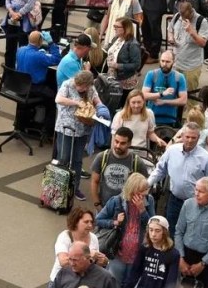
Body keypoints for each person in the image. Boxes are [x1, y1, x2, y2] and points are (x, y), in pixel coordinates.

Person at [148, 122, 208, 233]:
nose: (190, 140)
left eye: (193, 138)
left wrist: (206, 204)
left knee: (191, 233)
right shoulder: (172, 151)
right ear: (182, 136)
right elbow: (160, 170)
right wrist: (147, 184)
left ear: (198, 138)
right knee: (171, 232)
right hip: (174, 201)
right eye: (187, 137)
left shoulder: (207, 158)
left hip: (196, 203)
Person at [174, 177, 208, 288]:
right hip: (185, 255)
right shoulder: (187, 204)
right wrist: (180, 258)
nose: (196, 194)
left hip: (207, 260)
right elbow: (179, 232)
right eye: (196, 189)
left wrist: (203, 263)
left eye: (201, 191)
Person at [56, 71, 102, 200]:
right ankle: (59, 187)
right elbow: (58, 99)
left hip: (82, 130)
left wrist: (101, 108)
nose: (79, 88)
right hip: (66, 128)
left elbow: (97, 101)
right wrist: (76, 103)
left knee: (77, 160)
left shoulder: (91, 89)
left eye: (82, 86)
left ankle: (74, 188)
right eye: (78, 85)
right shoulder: (67, 84)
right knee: (64, 157)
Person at [89, 127, 149, 209]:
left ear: (129, 143)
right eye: (116, 141)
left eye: (122, 143)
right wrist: (97, 204)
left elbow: (145, 187)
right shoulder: (102, 157)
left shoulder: (136, 162)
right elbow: (94, 181)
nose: (118, 146)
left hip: (126, 210)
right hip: (104, 207)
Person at [48, 207, 108, 284]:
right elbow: (63, 262)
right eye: (86, 222)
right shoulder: (65, 237)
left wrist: (102, 261)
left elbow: (93, 263)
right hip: (61, 281)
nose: (90, 225)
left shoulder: (93, 238)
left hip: (82, 281)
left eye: (91, 222)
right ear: (76, 222)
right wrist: (88, 256)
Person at [124, 214, 181, 288]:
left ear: (164, 232)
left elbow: (171, 282)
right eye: (151, 230)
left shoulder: (173, 254)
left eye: (157, 231)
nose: (153, 234)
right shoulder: (144, 249)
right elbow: (133, 275)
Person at [53, 241, 119, 288]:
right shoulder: (63, 273)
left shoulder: (105, 278)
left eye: (75, 260)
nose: (72, 264)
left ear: (87, 258)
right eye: (70, 259)